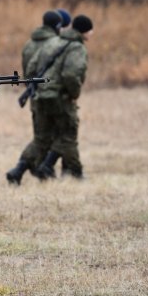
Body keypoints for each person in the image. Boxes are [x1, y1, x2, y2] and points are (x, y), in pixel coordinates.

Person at [5, 8, 71, 184]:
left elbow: (28, 72)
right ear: (58, 26)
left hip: (34, 95)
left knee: (41, 137)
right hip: (53, 95)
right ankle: (39, 169)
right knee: (60, 134)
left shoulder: (29, 43)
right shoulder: (56, 43)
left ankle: (29, 170)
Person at [33, 14, 94, 179]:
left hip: (42, 95)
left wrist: (38, 87)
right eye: (90, 30)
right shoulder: (77, 47)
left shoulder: (53, 41)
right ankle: (66, 170)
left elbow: (33, 65)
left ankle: (48, 167)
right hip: (60, 96)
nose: (92, 33)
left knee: (47, 135)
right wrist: (74, 93)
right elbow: (71, 74)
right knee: (68, 133)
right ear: (84, 31)